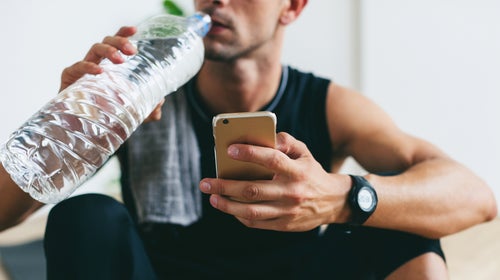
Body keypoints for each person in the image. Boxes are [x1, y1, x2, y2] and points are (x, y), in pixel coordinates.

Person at [0, 0, 497, 279]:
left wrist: (343, 198)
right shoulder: (140, 92)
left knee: (399, 222)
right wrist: (68, 125)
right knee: (85, 217)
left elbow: (475, 197)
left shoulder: (329, 105)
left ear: (292, 7)